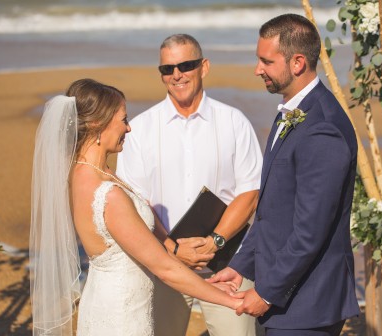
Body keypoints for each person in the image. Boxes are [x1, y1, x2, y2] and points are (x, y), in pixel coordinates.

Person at [29, 78, 243, 336]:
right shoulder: (109, 195)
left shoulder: (82, 174)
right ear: (98, 123)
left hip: (104, 300)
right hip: (122, 316)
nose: (128, 129)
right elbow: (163, 267)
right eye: (123, 120)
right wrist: (230, 299)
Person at [208, 14, 361, 336]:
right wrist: (240, 266)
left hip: (309, 306)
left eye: (266, 60)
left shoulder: (322, 128)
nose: (257, 69)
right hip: (286, 300)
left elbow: (310, 230)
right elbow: (272, 213)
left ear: (298, 62)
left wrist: (266, 292)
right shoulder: (290, 114)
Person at [116, 34, 263, 336]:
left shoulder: (233, 122)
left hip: (225, 265)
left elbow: (250, 191)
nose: (177, 75)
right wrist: (172, 248)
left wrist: (214, 243)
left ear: (204, 67)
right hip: (162, 265)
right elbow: (135, 201)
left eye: (186, 65)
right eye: (167, 69)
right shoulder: (140, 129)